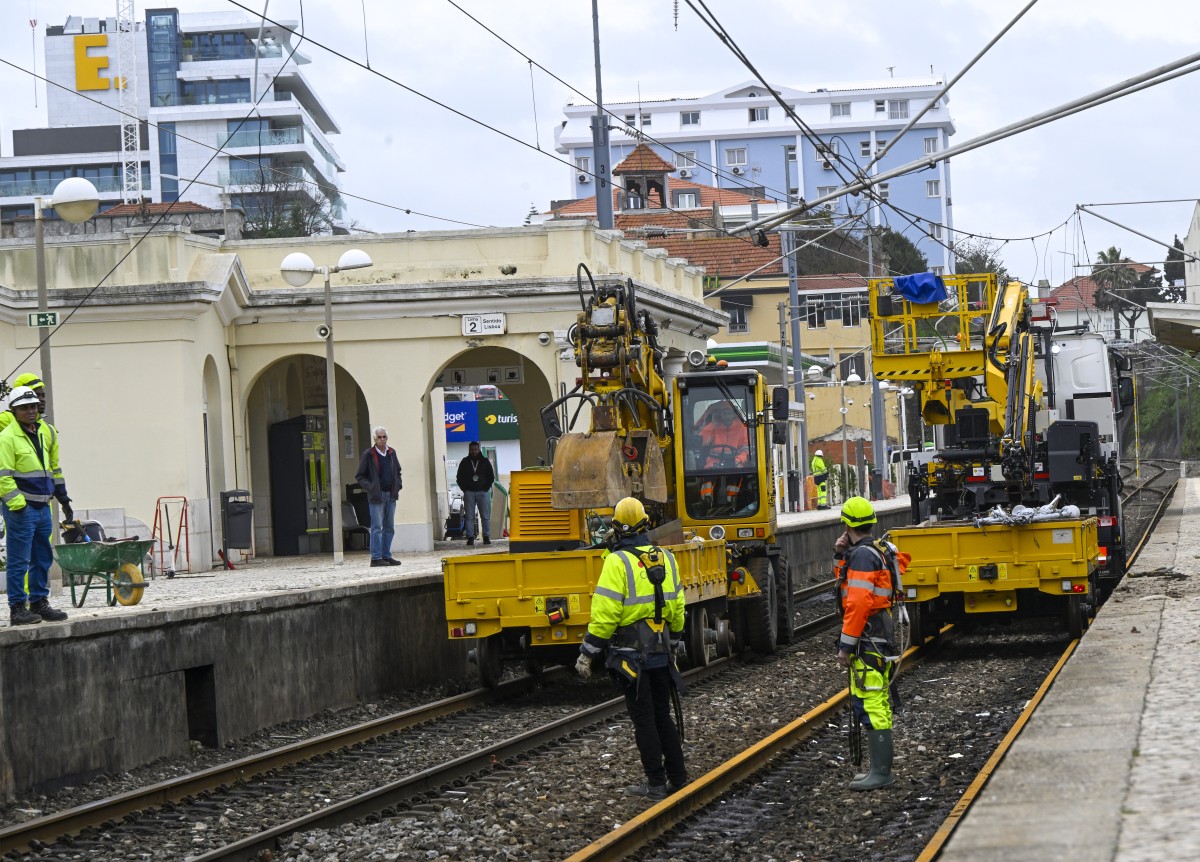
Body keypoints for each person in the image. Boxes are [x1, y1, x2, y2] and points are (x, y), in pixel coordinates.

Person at [576, 497, 688, 800]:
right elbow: (678, 608)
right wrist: (674, 643)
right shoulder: (666, 558)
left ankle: (654, 784)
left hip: (630, 659)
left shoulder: (616, 562)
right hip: (662, 654)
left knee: (644, 720)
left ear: (615, 528)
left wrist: (587, 653)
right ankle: (678, 777)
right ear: (646, 524)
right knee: (663, 715)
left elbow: (605, 615)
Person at [833, 496, 908, 791]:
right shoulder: (876, 550)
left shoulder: (864, 556)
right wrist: (840, 554)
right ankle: (878, 769)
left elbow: (857, 604)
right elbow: (846, 584)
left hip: (869, 635)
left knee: (873, 701)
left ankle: (881, 773)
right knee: (876, 700)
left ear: (847, 524)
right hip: (879, 631)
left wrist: (845, 646)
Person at [1, 386, 71, 625]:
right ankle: (17, 608)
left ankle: (39, 602)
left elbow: (55, 469)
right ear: (14, 410)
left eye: (33, 406)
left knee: (42, 557)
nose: (31, 411)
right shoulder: (7, 437)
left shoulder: (46, 432)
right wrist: (18, 505)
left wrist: (63, 498)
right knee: (19, 560)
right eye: (24, 408)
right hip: (22, 509)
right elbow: (3, 476)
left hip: (42, 507)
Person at [355, 426, 402, 567]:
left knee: (389, 527)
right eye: (379, 437)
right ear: (375, 439)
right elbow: (360, 476)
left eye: (384, 437)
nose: (382, 439)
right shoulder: (368, 454)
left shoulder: (392, 453)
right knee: (377, 527)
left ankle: (386, 555)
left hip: (391, 494)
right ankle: (375, 558)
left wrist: (398, 485)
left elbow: (398, 472)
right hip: (377, 496)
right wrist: (372, 488)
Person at [697, 401, 750, 509]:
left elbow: (746, 448)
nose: (726, 416)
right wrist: (712, 425)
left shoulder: (742, 427)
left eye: (729, 413)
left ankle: (733, 501)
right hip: (714, 459)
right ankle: (707, 499)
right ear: (720, 414)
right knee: (708, 474)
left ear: (733, 414)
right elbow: (702, 441)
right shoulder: (712, 425)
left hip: (734, 459)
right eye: (724, 413)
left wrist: (739, 459)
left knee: (736, 474)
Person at [455, 441, 495, 547]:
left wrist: (486, 488)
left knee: (485, 516)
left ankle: (486, 537)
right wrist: (465, 489)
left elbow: (491, 476)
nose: (474, 451)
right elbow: (459, 478)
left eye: (476, 449)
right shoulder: (465, 462)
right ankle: (470, 538)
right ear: (469, 450)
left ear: (479, 449)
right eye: (472, 450)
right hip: (469, 493)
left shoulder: (485, 461)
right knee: (469, 517)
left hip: (483, 492)